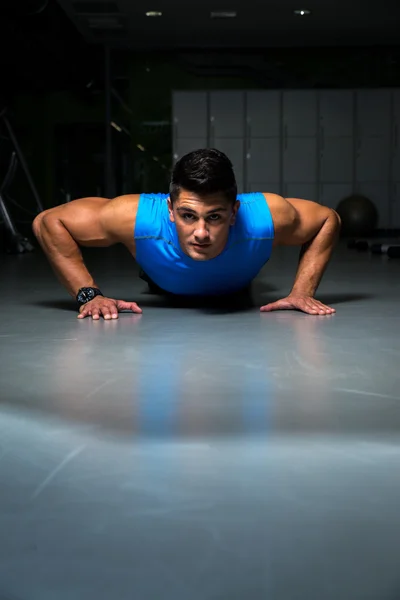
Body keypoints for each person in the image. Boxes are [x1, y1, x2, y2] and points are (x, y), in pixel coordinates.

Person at [32, 148, 341, 320]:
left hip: (235, 288)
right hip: (161, 279)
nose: (201, 233)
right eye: (188, 216)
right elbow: (47, 221)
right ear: (170, 209)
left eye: (215, 217)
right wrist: (89, 295)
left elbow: (329, 218)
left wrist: (303, 291)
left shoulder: (267, 217)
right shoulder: (135, 217)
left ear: (235, 211)